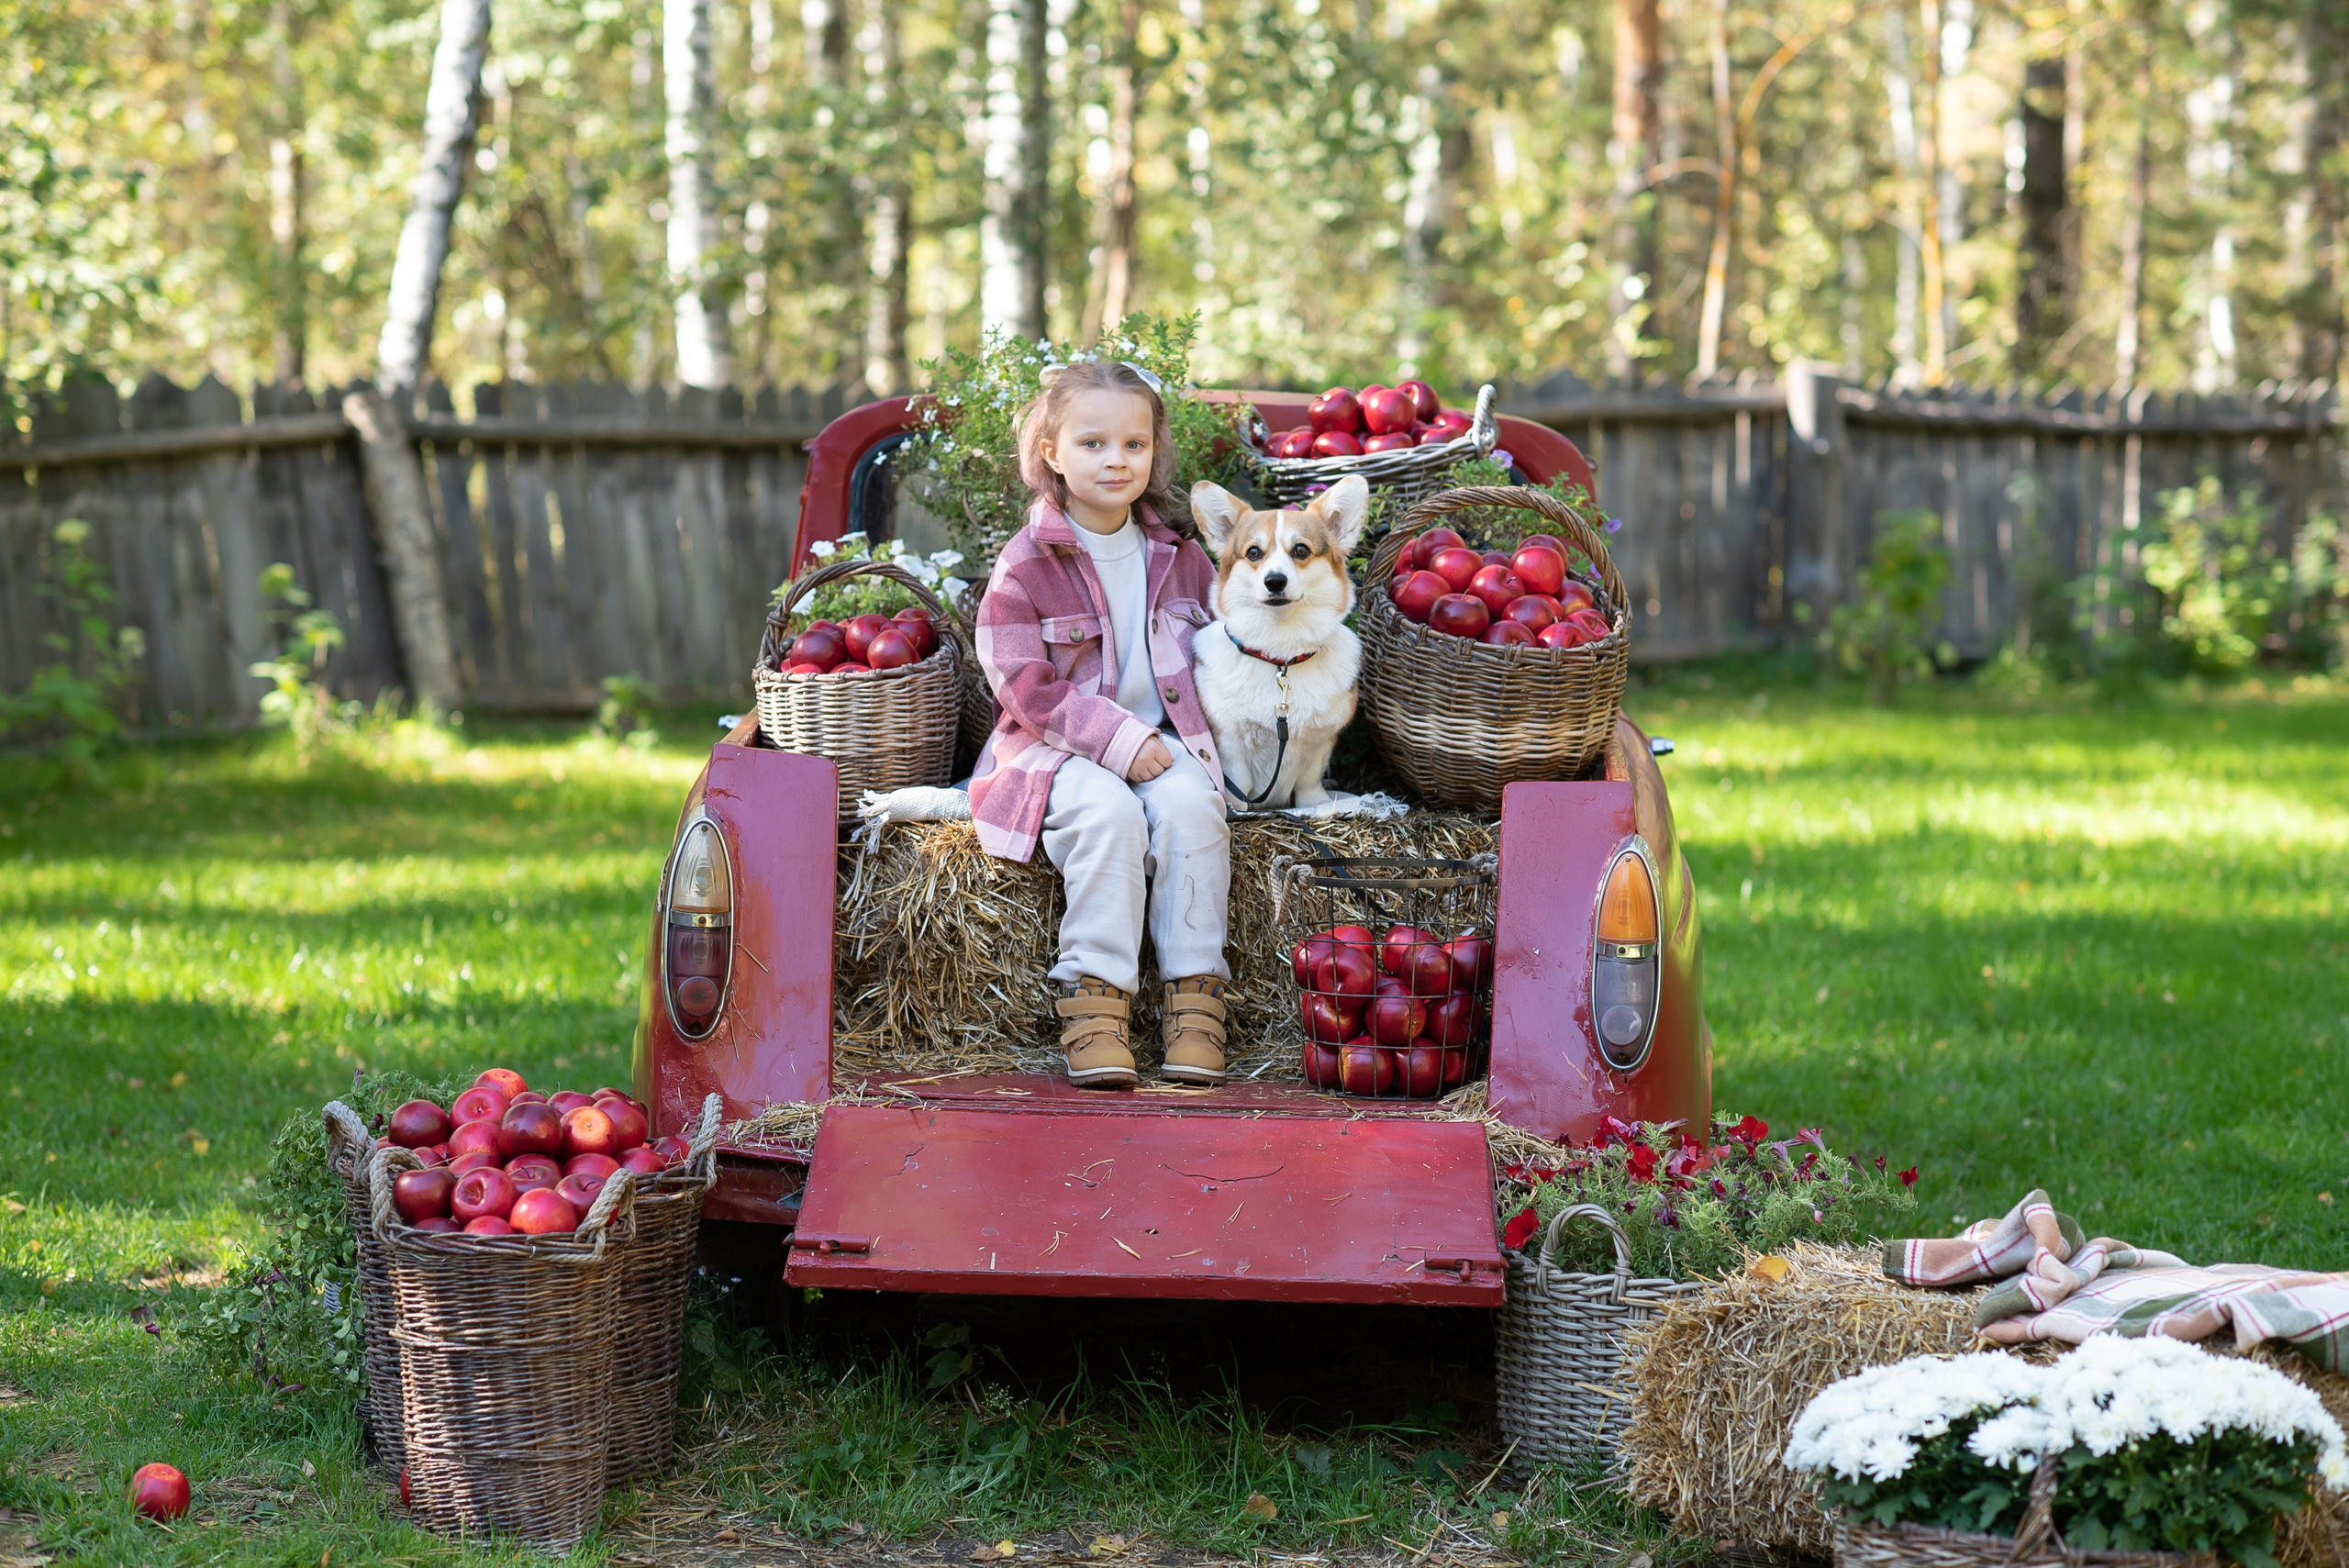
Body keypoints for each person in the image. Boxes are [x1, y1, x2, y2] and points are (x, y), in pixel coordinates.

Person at [969, 359, 1233, 1090]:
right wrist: (1116, 742)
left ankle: (1194, 1001)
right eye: (1092, 444)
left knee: (1193, 807)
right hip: (1057, 753)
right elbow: (1022, 683)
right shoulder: (1025, 565)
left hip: (1163, 745)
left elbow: (1222, 650)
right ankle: (1095, 1003)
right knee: (1109, 813)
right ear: (1051, 452)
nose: (1116, 460)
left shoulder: (1180, 557)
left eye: (1134, 445)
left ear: (1155, 452)